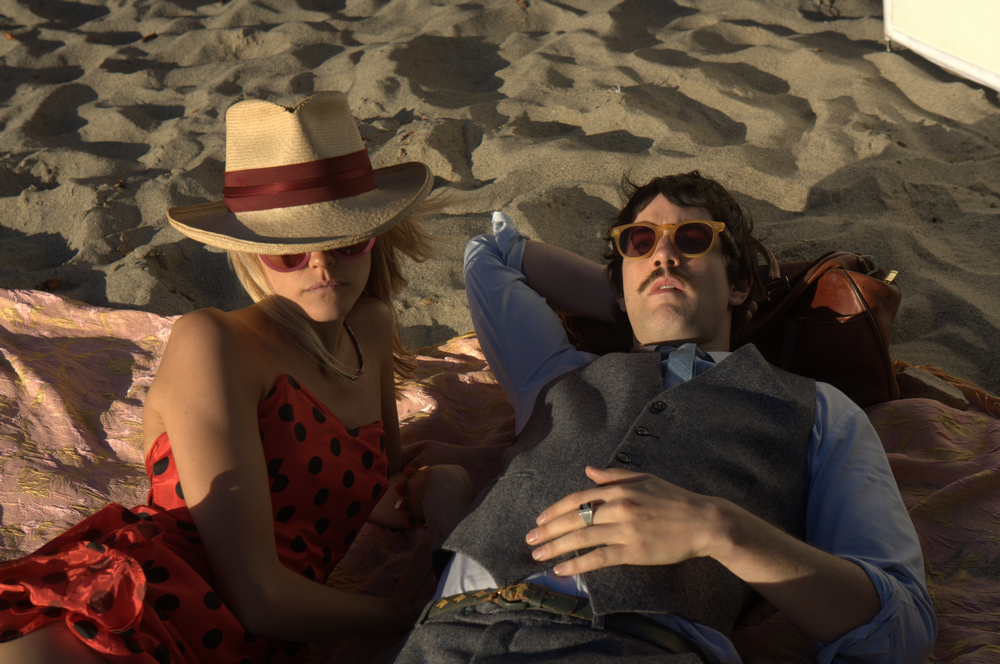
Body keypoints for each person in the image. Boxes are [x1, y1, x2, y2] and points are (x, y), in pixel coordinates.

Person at [0, 91, 475, 664]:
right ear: (251, 254)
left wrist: (438, 486)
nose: (322, 264)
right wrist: (411, 612)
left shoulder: (370, 328)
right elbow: (258, 598)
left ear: (374, 235)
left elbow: (375, 490)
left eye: (345, 241)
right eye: (290, 252)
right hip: (151, 601)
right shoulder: (214, 342)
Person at [394, 172, 937, 663]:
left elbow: (901, 630)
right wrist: (637, 296)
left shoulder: (818, 409)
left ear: (740, 284)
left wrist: (721, 530)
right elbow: (489, 253)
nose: (664, 255)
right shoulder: (553, 373)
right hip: (442, 642)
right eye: (640, 242)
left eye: (693, 239)